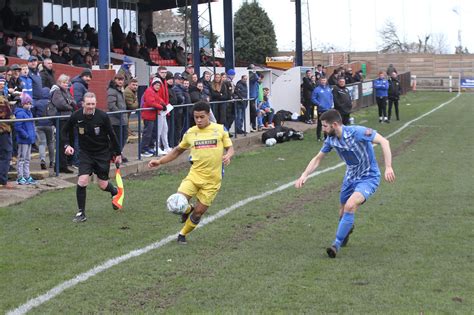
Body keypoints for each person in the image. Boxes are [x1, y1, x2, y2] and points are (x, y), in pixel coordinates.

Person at [295, 109, 395, 258]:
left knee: (350, 205)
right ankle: (347, 228)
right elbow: (318, 158)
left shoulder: (357, 132)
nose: (322, 129)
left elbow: (384, 141)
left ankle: (335, 245)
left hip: (368, 177)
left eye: (324, 126)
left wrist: (388, 167)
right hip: (350, 178)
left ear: (334, 125)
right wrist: (304, 174)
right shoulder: (330, 140)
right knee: (342, 212)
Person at [148, 101, 234, 244]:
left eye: (202, 117)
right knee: (176, 204)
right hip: (194, 177)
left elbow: (230, 148)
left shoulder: (219, 130)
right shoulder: (190, 133)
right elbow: (177, 151)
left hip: (212, 181)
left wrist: (228, 155)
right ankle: (187, 209)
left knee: (198, 213)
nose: (199, 120)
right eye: (196, 117)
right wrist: (160, 161)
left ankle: (182, 234)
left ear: (208, 115)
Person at [61, 92, 122, 223]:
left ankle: (115, 191)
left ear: (96, 104)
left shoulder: (102, 116)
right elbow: (64, 131)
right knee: (82, 181)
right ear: (83, 103)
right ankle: (81, 212)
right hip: (85, 153)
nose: (90, 107)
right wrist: (67, 145)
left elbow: (112, 135)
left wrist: (118, 154)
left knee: (102, 184)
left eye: (93, 104)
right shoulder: (76, 116)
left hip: (102, 153)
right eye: (88, 104)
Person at [14, 94, 36, 185]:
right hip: (24, 140)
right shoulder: (20, 113)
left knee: (27, 159)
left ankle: (27, 176)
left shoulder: (29, 112)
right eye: (27, 103)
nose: (29, 105)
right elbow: (18, 127)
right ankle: (20, 177)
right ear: (23, 103)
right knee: (21, 159)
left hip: (29, 139)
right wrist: (26, 135)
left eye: (30, 103)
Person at [107, 73, 128, 162]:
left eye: (122, 80)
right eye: (118, 79)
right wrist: (119, 114)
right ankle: (114, 155)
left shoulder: (120, 90)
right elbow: (111, 106)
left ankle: (118, 153)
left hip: (122, 118)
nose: (120, 81)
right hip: (115, 120)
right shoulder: (112, 91)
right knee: (117, 139)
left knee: (123, 137)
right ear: (115, 80)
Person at [32, 87, 55, 170]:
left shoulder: (37, 103)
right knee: (51, 143)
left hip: (39, 125)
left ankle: (42, 160)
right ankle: (52, 161)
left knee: (42, 143)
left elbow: (33, 113)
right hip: (49, 125)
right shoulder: (51, 103)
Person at [0, 83, 14, 189]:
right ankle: (2, 180)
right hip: (3, 130)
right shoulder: (3, 100)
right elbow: (10, 117)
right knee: (6, 154)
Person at [311, 77, 333, 141]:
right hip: (321, 110)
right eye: (322, 80)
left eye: (324, 80)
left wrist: (331, 104)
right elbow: (313, 98)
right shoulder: (316, 89)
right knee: (320, 124)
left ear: (326, 81)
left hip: (328, 109)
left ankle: (326, 137)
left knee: (327, 124)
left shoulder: (328, 89)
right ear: (320, 81)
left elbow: (331, 97)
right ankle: (318, 137)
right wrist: (319, 104)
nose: (323, 81)